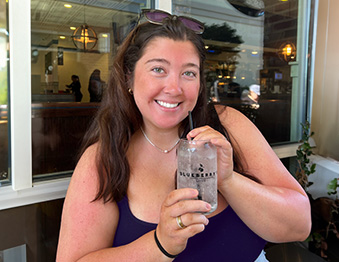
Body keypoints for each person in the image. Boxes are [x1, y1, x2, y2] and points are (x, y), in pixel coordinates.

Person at [56, 9, 311, 262]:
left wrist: (229, 180)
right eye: (158, 69)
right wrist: (160, 244)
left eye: (189, 73)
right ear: (128, 78)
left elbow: (299, 225)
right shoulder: (104, 159)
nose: (174, 88)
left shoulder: (227, 125)